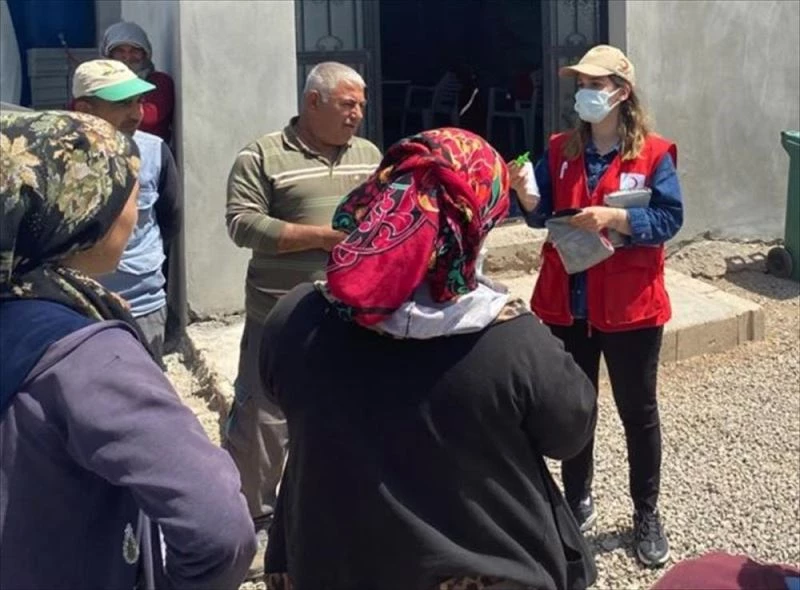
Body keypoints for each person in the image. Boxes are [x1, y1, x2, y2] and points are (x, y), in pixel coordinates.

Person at [260, 128, 598, 589]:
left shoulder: (295, 319)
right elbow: (569, 434)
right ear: (475, 226)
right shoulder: (514, 345)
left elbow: (282, 397)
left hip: (328, 566)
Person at [0, 110, 256, 589]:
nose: (137, 215)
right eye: (128, 196)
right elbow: (220, 531)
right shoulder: (88, 357)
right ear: (82, 210)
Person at [509, 44, 683, 567]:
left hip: (630, 305)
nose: (586, 93)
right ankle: (576, 499)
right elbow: (542, 219)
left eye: (596, 84)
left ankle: (645, 513)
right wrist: (527, 196)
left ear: (621, 92)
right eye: (581, 84)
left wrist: (617, 219)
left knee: (638, 412)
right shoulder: (560, 148)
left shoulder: (653, 154)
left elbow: (671, 219)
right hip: (569, 304)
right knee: (572, 407)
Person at [224, 61, 382, 576]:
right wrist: (318, 238)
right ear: (313, 101)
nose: (357, 114)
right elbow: (241, 222)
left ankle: (334, 513)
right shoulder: (263, 155)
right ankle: (253, 524)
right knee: (262, 422)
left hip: (350, 316)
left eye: (361, 104)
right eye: (347, 104)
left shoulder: (369, 155)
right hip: (277, 315)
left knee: (344, 416)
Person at [72, 59, 182, 361]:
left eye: (140, 102)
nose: (137, 114)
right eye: (123, 104)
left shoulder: (155, 151)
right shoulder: (56, 161)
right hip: (79, 308)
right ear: (84, 110)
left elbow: (170, 221)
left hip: (143, 306)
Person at [100, 21, 175, 143]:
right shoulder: (98, 82)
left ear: (145, 54)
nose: (127, 57)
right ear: (109, 56)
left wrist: (105, 110)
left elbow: (148, 117)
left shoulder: (159, 82)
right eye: (120, 51)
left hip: (150, 156)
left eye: (134, 51)